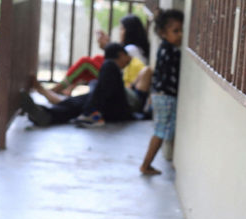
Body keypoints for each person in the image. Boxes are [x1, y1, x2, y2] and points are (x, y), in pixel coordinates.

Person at [20, 43, 134, 128]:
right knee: (78, 103)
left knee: (102, 72)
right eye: (127, 56)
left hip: (124, 105)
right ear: (120, 54)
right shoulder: (113, 71)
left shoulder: (114, 67)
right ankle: (47, 115)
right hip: (111, 108)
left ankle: (90, 111)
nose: (128, 60)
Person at [52, 14, 150, 95]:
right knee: (98, 59)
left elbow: (117, 65)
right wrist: (108, 45)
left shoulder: (131, 49)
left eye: (122, 29)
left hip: (120, 83)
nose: (120, 32)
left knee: (86, 63)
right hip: (119, 80)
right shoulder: (133, 48)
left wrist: (107, 46)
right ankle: (68, 88)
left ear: (130, 31)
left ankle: (58, 88)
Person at [139, 9, 183, 176]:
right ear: (163, 33)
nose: (180, 35)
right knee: (161, 131)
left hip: (159, 95)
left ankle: (149, 164)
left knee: (164, 129)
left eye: (181, 30)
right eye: (175, 31)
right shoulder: (172, 51)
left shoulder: (163, 48)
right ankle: (146, 165)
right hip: (166, 97)